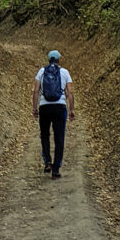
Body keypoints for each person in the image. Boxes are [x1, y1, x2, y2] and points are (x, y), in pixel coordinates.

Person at [32, 49, 74, 180]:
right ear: (59, 59)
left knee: (45, 134)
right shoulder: (65, 72)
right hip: (60, 107)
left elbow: (36, 91)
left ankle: (47, 162)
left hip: (44, 107)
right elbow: (70, 92)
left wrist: (34, 108)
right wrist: (71, 110)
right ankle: (56, 169)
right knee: (59, 138)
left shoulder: (42, 71)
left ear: (49, 60)